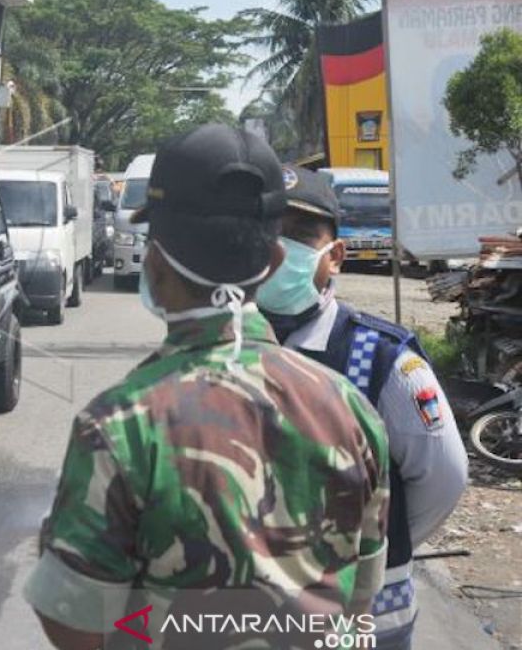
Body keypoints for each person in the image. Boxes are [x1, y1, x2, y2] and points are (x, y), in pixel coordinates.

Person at [24, 125, 391, 650]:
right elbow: (359, 599)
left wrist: (150, 627)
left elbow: (77, 625)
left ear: (153, 261)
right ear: (275, 263)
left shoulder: (119, 426)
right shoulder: (352, 410)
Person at [256, 165, 468, 650]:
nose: (279, 250)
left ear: (336, 256)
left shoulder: (383, 360)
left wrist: (375, 542)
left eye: (299, 235)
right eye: (267, 233)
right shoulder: (219, 351)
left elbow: (442, 479)